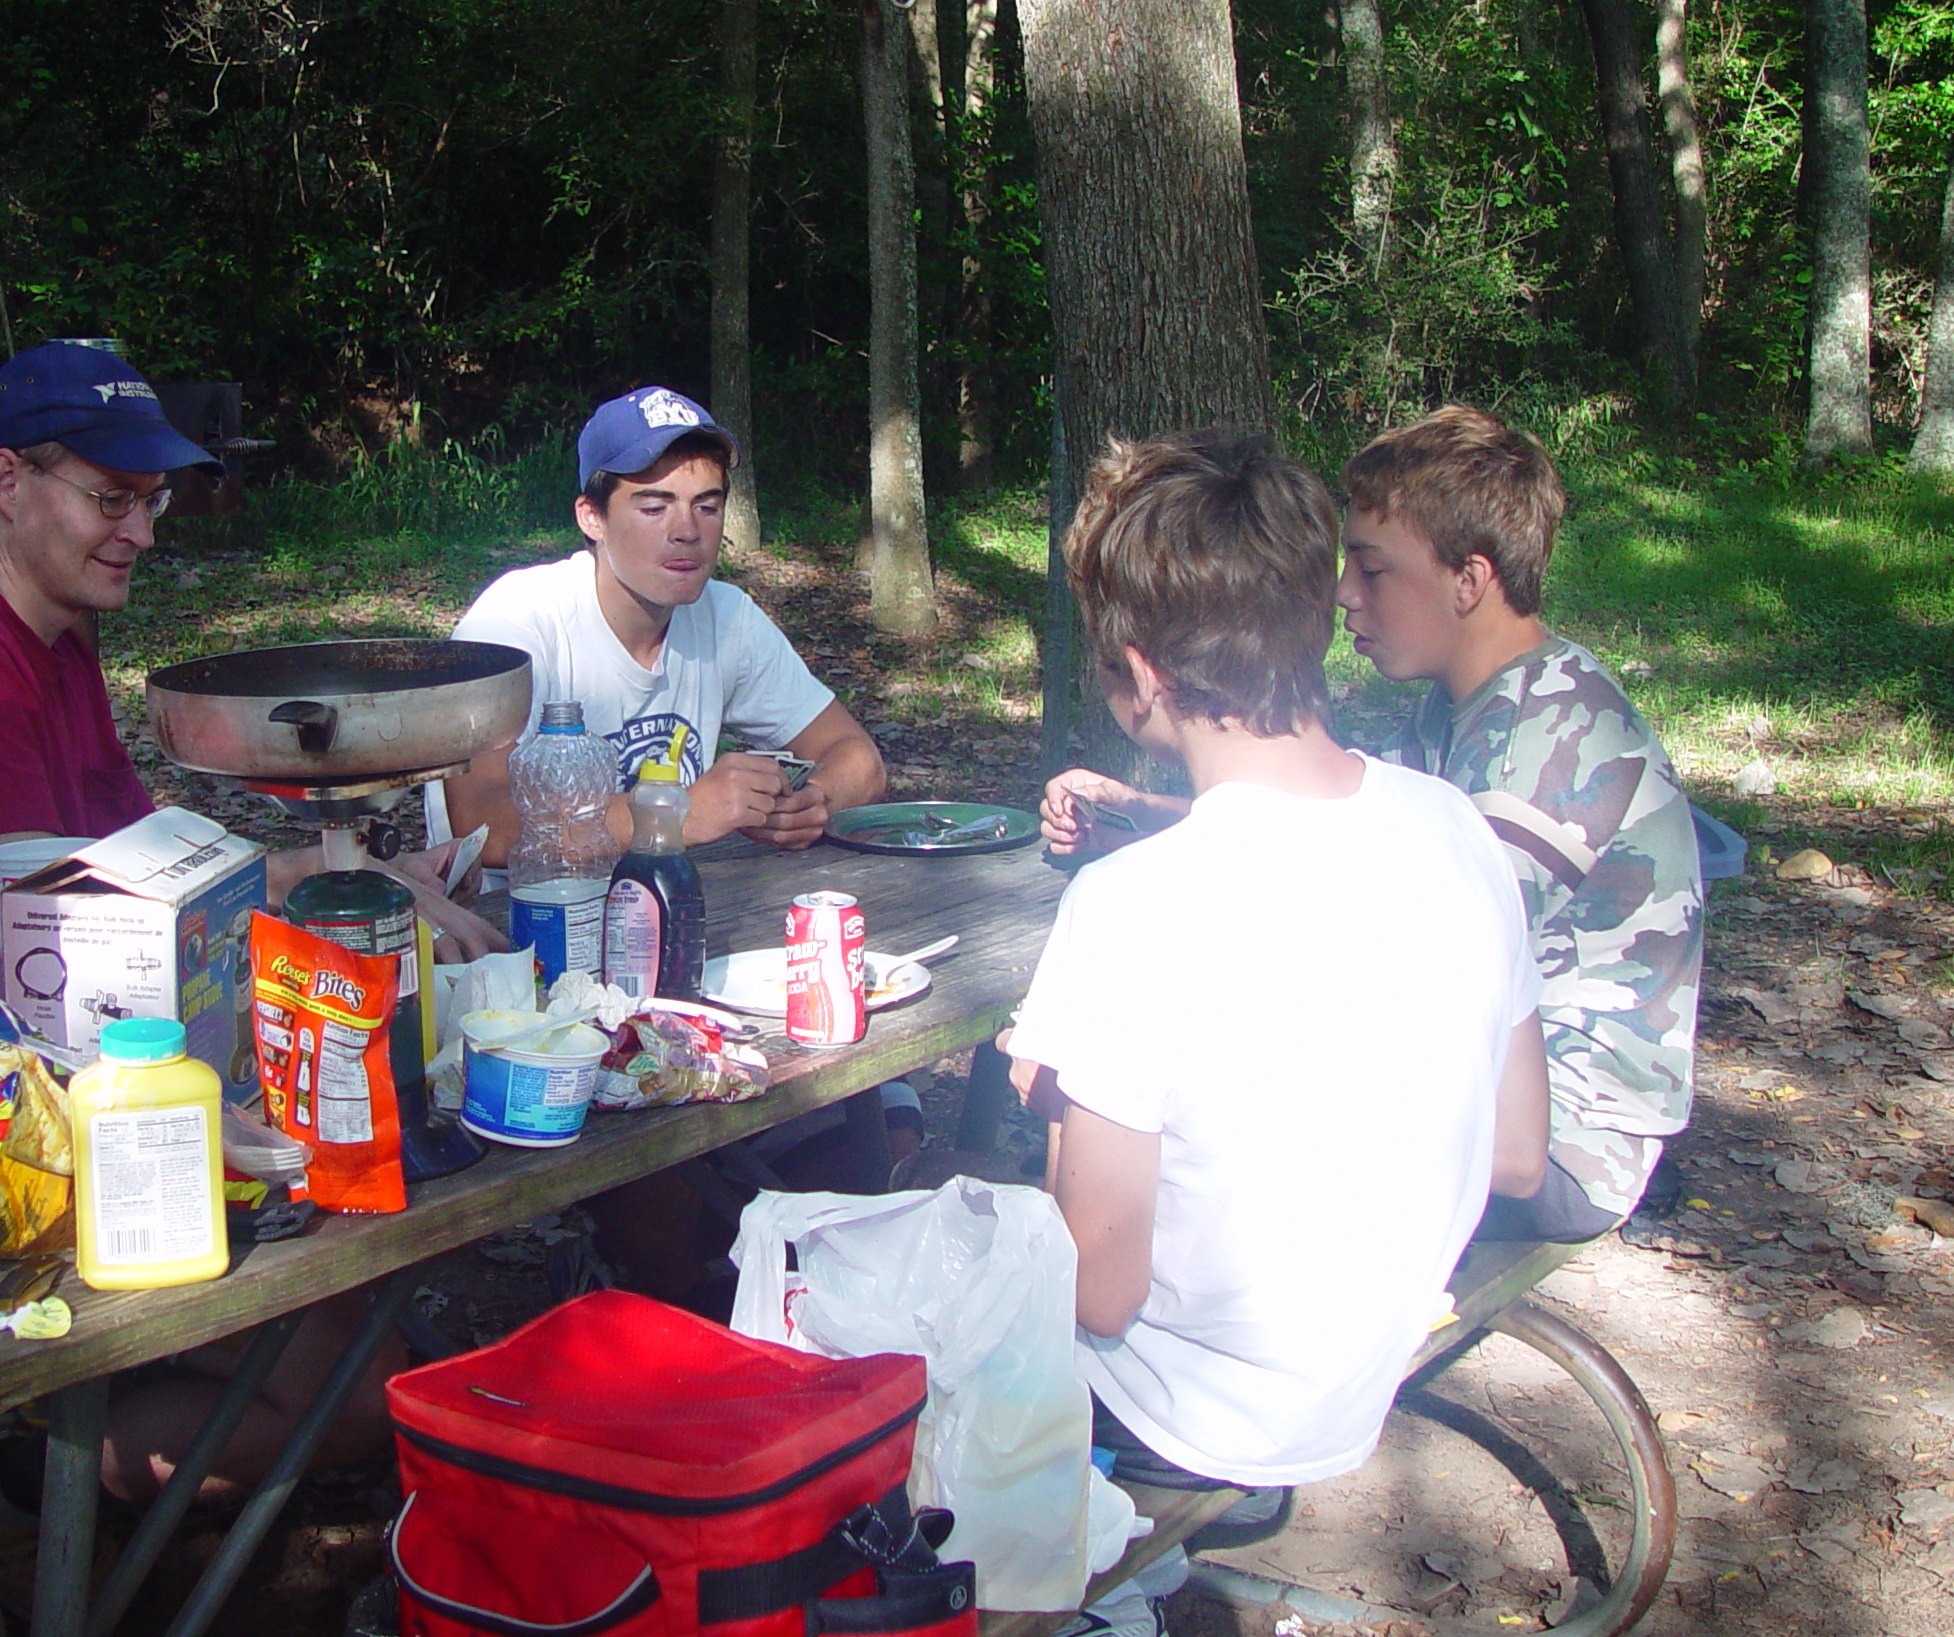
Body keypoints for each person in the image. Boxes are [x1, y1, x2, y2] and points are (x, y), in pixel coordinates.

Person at [1004, 430, 1547, 1630]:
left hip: (1193, 1408)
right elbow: (1517, 1153)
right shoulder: (1457, 828)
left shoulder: (1135, 903)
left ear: (1140, 675)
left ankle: (1101, 1595)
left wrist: (1047, 1108)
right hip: (1364, 1353)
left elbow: (1093, 1292)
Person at [0, 341, 490, 1513]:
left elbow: (144, 859)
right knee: (355, 1386)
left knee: (361, 1339)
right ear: (4, 481)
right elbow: (49, 935)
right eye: (111, 499)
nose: (142, 533)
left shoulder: (51, 640)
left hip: (128, 1074)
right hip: (36, 1117)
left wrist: (334, 871)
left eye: (149, 502)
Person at [1041, 406, 1703, 1246]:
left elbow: (1382, 962)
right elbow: (1331, 834)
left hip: (1559, 1149)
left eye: (1374, 568)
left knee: (1157, 1123)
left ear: (1468, 580)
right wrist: (1146, 821)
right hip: (1488, 1093)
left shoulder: (1543, 751)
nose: (1346, 594)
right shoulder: (1483, 704)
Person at [442, 385, 885, 859]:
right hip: (513, 920)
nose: (687, 531)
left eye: (706, 506)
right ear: (592, 517)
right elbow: (482, 821)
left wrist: (810, 805)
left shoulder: (726, 616)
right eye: (654, 507)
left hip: (668, 910)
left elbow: (861, 760)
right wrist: (676, 813)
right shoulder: (515, 623)